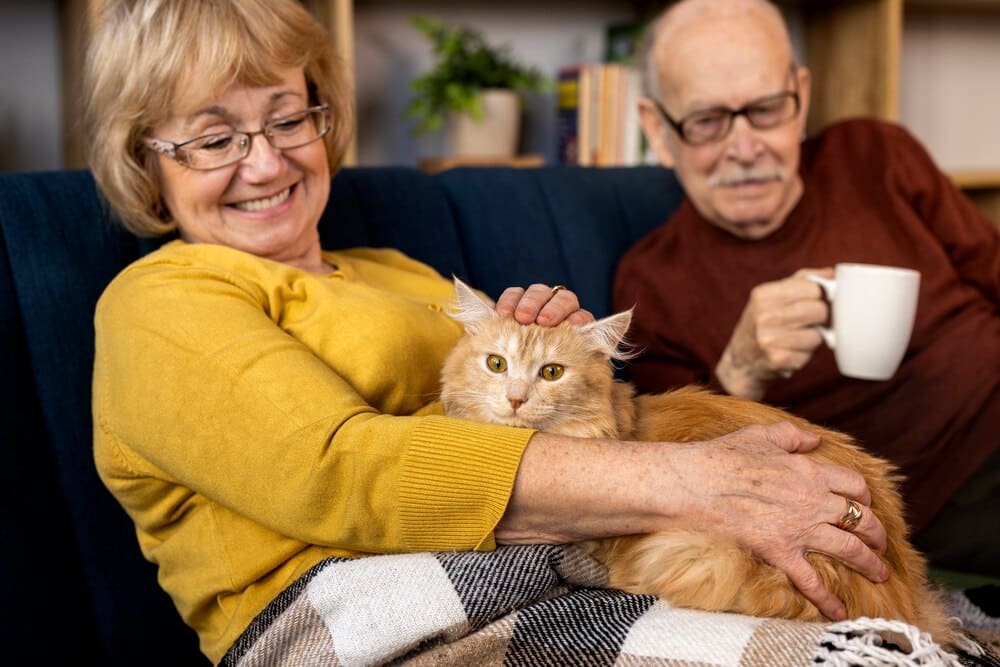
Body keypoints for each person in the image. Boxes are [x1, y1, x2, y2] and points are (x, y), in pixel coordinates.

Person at [85, 0, 889, 663]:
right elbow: (340, 470)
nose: (266, 164)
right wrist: (699, 482)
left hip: (550, 566)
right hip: (355, 613)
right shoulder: (160, 299)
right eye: (216, 138)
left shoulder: (396, 270)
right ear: (145, 157)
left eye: (288, 119)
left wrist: (580, 382)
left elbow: (554, 428)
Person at [613, 0, 999, 577]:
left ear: (801, 98)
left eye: (766, 109)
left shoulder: (877, 155)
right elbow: (690, 482)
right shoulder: (653, 283)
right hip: (938, 499)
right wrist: (740, 372)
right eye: (708, 122)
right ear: (658, 130)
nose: (745, 147)